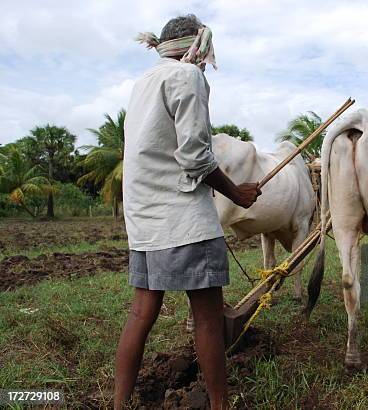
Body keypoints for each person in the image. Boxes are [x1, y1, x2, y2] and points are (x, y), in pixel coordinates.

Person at [114, 14, 260, 410]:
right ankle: (219, 405)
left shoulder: (143, 82)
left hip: (145, 219)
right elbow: (195, 157)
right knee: (209, 318)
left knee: (141, 311)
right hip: (184, 219)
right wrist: (237, 193)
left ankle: (119, 403)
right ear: (197, 46)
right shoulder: (187, 77)